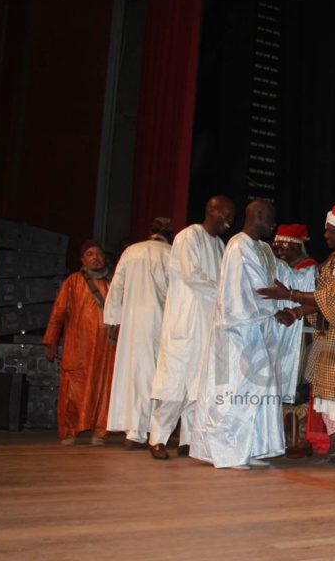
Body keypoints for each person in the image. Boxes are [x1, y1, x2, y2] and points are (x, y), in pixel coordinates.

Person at [258, 204, 335, 470]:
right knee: (332, 399)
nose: (325, 235)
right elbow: (324, 296)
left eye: (330, 230)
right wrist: (295, 313)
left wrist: (291, 296)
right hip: (333, 338)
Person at [190, 201, 315, 469]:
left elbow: (282, 280)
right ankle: (229, 451)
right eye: (270, 218)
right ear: (257, 215)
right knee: (234, 394)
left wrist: (307, 286)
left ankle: (252, 448)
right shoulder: (239, 245)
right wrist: (280, 311)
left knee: (258, 395)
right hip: (237, 332)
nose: (273, 224)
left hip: (260, 332)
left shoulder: (264, 249)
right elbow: (248, 291)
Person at [148, 196, 235, 460]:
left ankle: (187, 440)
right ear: (211, 210)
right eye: (226, 214)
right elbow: (192, 275)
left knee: (198, 387)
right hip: (185, 321)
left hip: (208, 324)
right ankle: (158, 438)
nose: (230, 221)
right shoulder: (188, 237)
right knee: (174, 383)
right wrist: (224, 291)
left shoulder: (220, 245)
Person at [103, 217, 173, 450]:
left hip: (132, 322)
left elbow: (116, 286)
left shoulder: (132, 251)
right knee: (154, 375)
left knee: (134, 373)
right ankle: (147, 431)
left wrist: (113, 320)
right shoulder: (170, 253)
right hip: (160, 321)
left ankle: (135, 431)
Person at [43, 240, 117, 445]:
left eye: (99, 253)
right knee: (73, 389)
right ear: (83, 259)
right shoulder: (73, 282)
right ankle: (69, 432)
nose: (96, 257)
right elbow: (58, 312)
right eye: (90, 254)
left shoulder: (115, 281)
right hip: (79, 346)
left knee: (104, 389)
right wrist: (50, 341)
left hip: (107, 348)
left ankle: (100, 432)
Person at [273, 223, 323, 458]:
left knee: (300, 387)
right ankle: (285, 438)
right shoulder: (279, 269)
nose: (280, 253)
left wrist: (295, 312)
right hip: (282, 335)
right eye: (277, 248)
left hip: (303, 334)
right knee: (282, 385)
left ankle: (300, 440)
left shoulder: (311, 270)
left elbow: (319, 301)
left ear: (298, 247)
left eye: (285, 248)